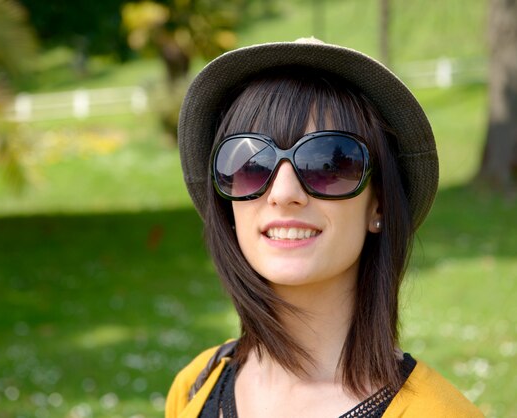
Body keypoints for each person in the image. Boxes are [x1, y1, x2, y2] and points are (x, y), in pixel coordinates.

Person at [166, 38, 483, 417]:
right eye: (250, 165)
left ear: (378, 203)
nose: (284, 193)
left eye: (328, 165)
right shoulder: (195, 386)